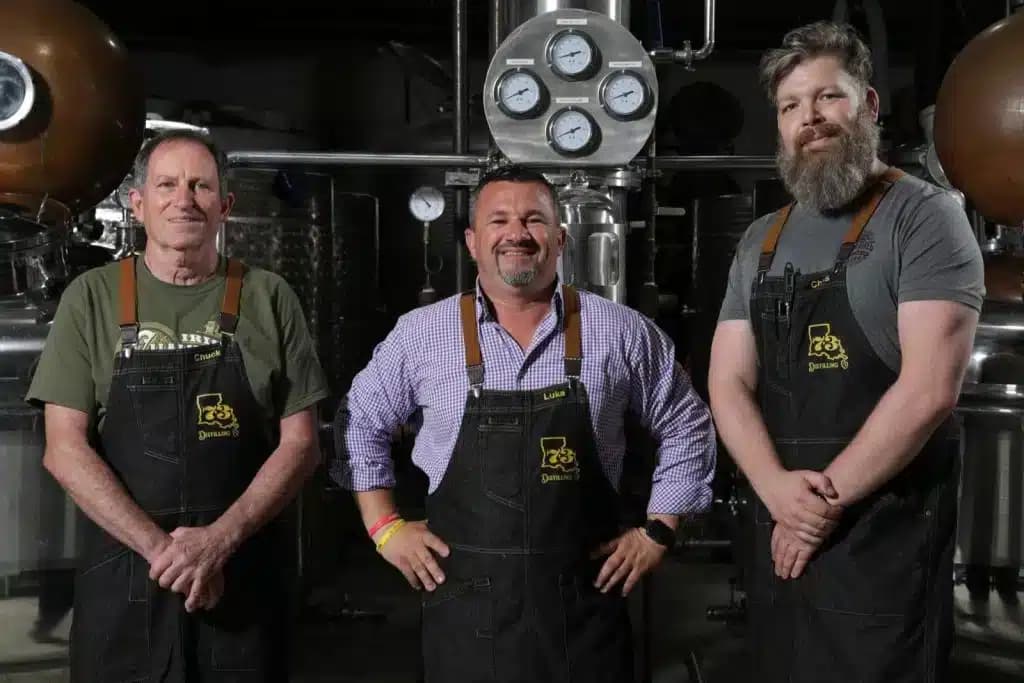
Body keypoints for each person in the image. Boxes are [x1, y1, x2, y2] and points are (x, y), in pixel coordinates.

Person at [332, 165, 716, 683]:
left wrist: (657, 532)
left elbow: (687, 422)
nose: (516, 234)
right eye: (499, 221)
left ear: (559, 239)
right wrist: (384, 527)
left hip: (585, 616)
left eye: (533, 220)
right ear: (472, 241)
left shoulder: (620, 331)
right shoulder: (422, 335)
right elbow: (359, 421)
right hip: (465, 618)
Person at [708, 21, 984, 683]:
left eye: (828, 97)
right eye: (791, 105)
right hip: (781, 536)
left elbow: (927, 392)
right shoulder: (760, 241)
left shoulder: (922, 218)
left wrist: (815, 511)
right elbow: (727, 381)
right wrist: (777, 491)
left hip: (879, 544)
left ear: (868, 104)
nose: (811, 118)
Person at [25, 128, 330, 681]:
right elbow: (63, 449)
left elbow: (302, 444)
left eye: (200, 186)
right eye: (166, 185)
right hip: (125, 579)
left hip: (242, 579)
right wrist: (168, 553)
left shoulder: (269, 296)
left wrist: (220, 540)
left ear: (225, 206)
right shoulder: (90, 298)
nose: (184, 200)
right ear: (138, 205)